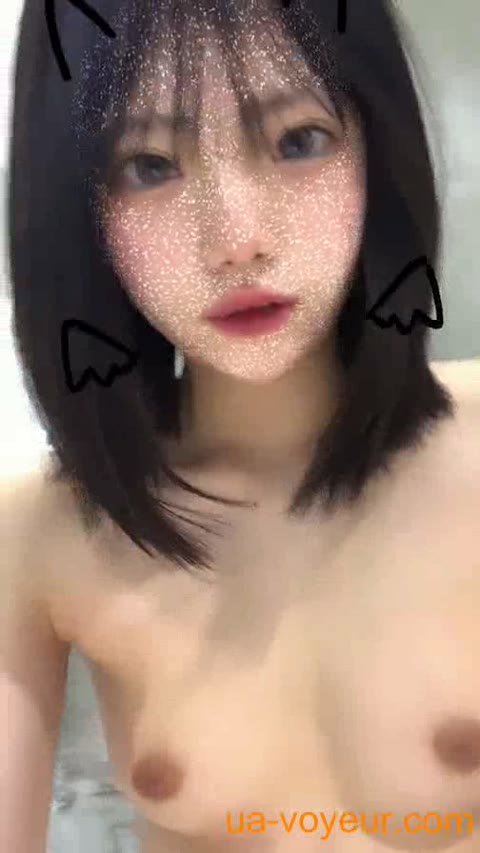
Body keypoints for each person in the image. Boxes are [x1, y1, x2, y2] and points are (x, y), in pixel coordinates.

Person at [2, 0, 479, 850]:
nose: (238, 239)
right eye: (149, 165)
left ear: (377, 145)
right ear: (78, 208)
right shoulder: (41, 535)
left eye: (299, 140)